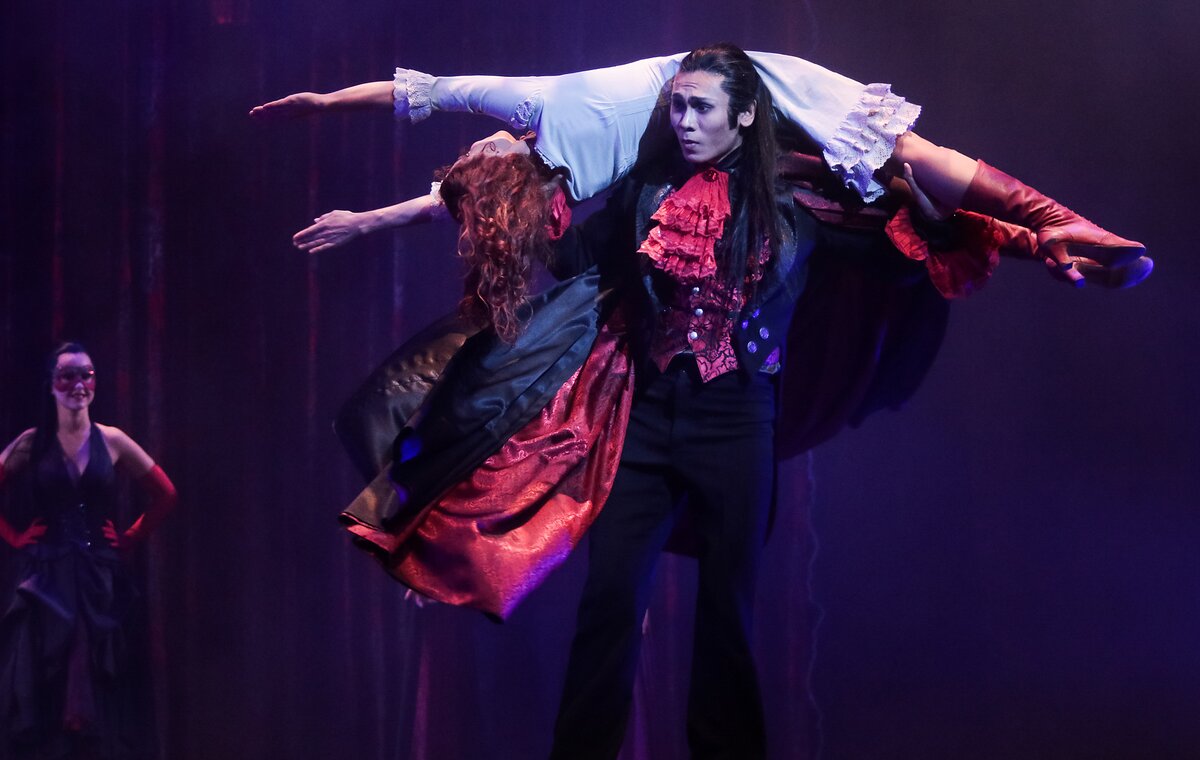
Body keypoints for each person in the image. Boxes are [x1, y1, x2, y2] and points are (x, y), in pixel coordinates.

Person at [250, 48, 1151, 287]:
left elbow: (418, 114)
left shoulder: (549, 173)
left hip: (727, 100)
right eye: (475, 158)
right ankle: (1046, 238)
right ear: (502, 159)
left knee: (898, 168)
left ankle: (1052, 232)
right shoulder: (530, 121)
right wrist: (335, 117)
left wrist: (332, 121)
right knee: (893, 184)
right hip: (728, 117)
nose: (469, 152)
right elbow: (433, 118)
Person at [0, 342, 177, 760]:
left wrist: (131, 536)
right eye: (67, 376)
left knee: (98, 682)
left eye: (87, 375)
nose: (78, 384)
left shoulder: (112, 440)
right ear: (51, 384)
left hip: (99, 578)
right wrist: (14, 537)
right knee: (47, 682)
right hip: (46, 580)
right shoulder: (32, 443)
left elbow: (166, 494)